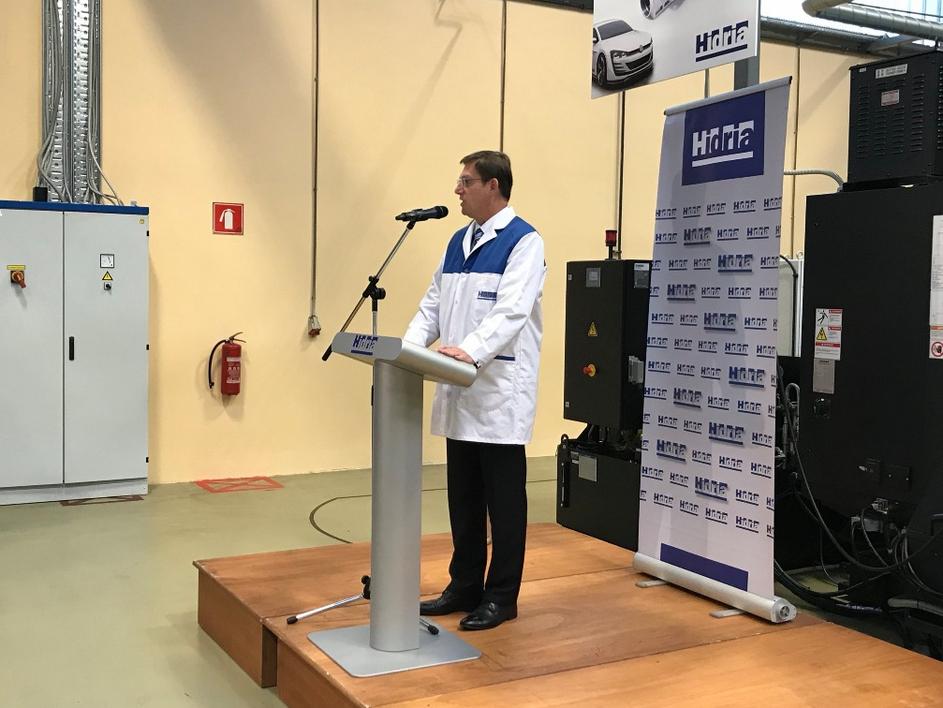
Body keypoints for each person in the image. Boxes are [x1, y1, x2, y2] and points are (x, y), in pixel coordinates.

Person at [404, 150, 545, 631]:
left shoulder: (524, 242)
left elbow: (512, 312)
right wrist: (405, 351)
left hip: (497, 392)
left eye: (466, 181)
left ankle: (502, 596)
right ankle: (464, 586)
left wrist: (469, 351)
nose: (457, 190)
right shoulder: (457, 242)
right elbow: (432, 306)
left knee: (503, 505)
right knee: (463, 500)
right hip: (458, 389)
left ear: (493, 186)